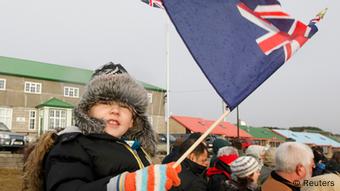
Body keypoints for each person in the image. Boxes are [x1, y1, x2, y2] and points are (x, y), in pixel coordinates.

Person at [23, 63, 181, 191]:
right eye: (105, 102)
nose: (115, 110)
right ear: (87, 111)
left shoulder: (138, 150)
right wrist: (124, 185)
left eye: (125, 106)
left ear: (133, 120)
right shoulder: (72, 146)